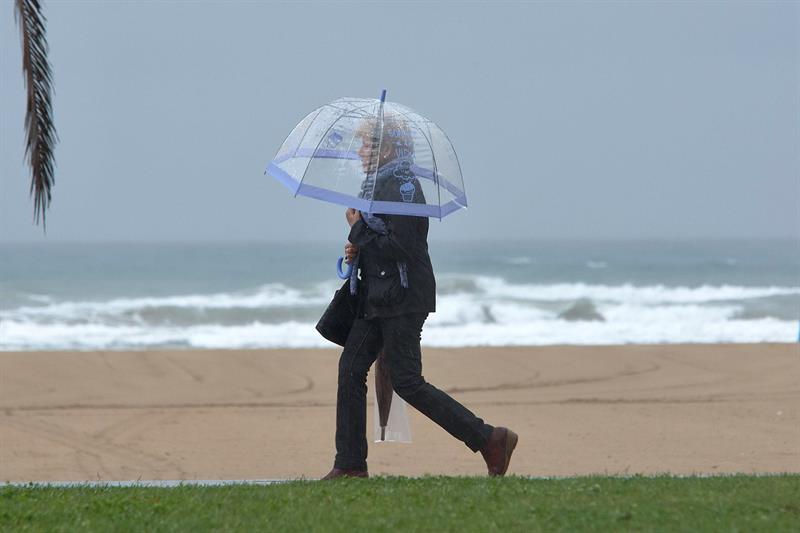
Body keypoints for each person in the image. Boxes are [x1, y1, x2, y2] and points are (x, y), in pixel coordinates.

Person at [321, 116, 518, 479]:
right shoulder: (376, 185)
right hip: (376, 296)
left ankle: (490, 439)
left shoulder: (403, 186)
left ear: (389, 148)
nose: (361, 152)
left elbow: (403, 246)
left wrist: (357, 229)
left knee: (408, 382)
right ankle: (349, 465)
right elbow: (381, 242)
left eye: (367, 145)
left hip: (403, 299)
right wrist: (357, 248)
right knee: (350, 370)